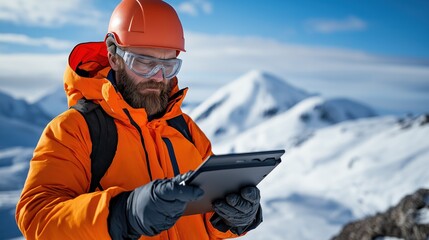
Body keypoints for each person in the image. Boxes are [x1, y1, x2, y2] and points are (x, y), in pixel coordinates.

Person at [15, 0, 263, 239]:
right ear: (114, 56)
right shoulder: (75, 130)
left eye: (168, 65)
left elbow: (205, 224)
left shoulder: (186, 130)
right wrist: (124, 215)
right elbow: (37, 220)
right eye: (144, 62)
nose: (157, 77)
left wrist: (232, 219)